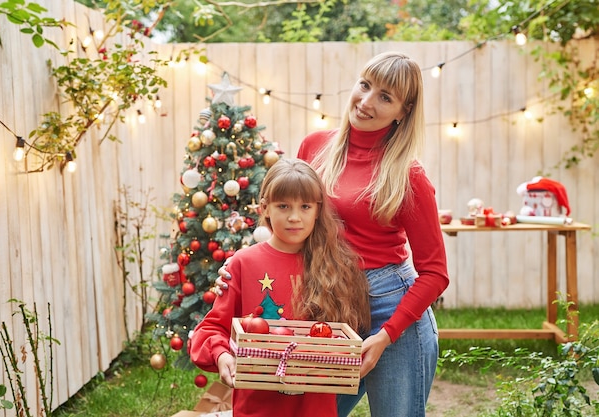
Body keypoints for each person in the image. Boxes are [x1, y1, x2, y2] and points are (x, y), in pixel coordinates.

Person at [217, 51, 450, 417]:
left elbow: (436, 273)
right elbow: (290, 221)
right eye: (365, 85)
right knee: (304, 411)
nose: (367, 101)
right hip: (328, 302)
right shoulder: (315, 148)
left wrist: (386, 334)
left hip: (392, 310)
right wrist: (242, 266)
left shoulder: (409, 176)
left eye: (385, 97)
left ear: (403, 111)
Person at [189, 158, 371, 417]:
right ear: (265, 208)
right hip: (256, 407)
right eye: (283, 206)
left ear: (318, 210)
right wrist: (221, 355)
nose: (294, 217)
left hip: (315, 409)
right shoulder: (242, 263)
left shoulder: (334, 266)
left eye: (305, 206)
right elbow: (210, 329)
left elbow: (343, 337)